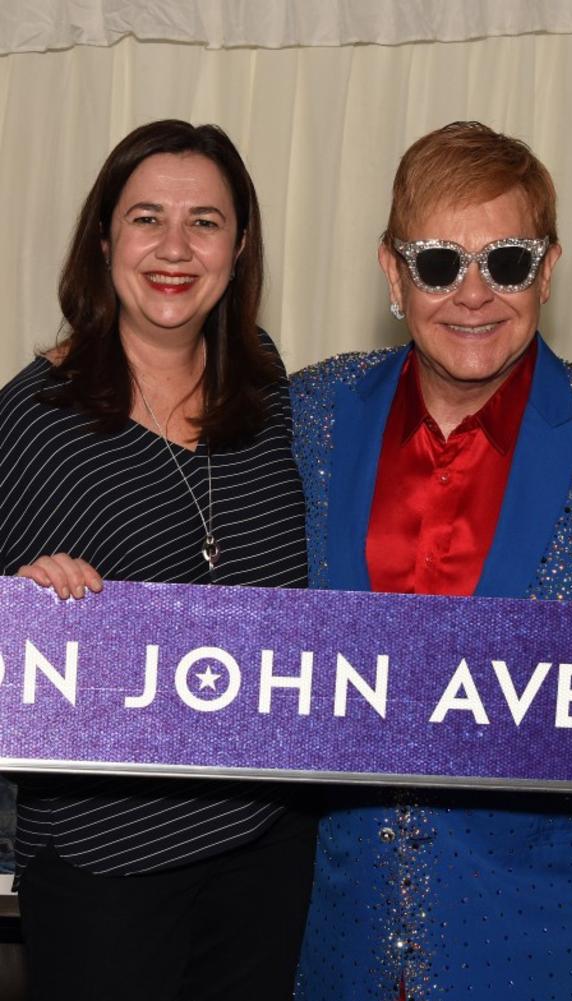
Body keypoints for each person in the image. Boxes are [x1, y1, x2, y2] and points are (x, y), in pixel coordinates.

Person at [291, 121, 572, 1001]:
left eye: (511, 261)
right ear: (392, 272)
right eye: (441, 263)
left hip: (542, 949)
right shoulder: (307, 416)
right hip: (330, 937)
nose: (475, 295)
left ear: (551, 267)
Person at [0, 119, 315, 1000]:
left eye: (205, 222)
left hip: (266, 841)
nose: (175, 247)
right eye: (147, 218)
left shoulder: (265, 384)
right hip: (108, 865)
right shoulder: (31, 420)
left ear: (240, 244)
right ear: (104, 238)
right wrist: (13, 607)